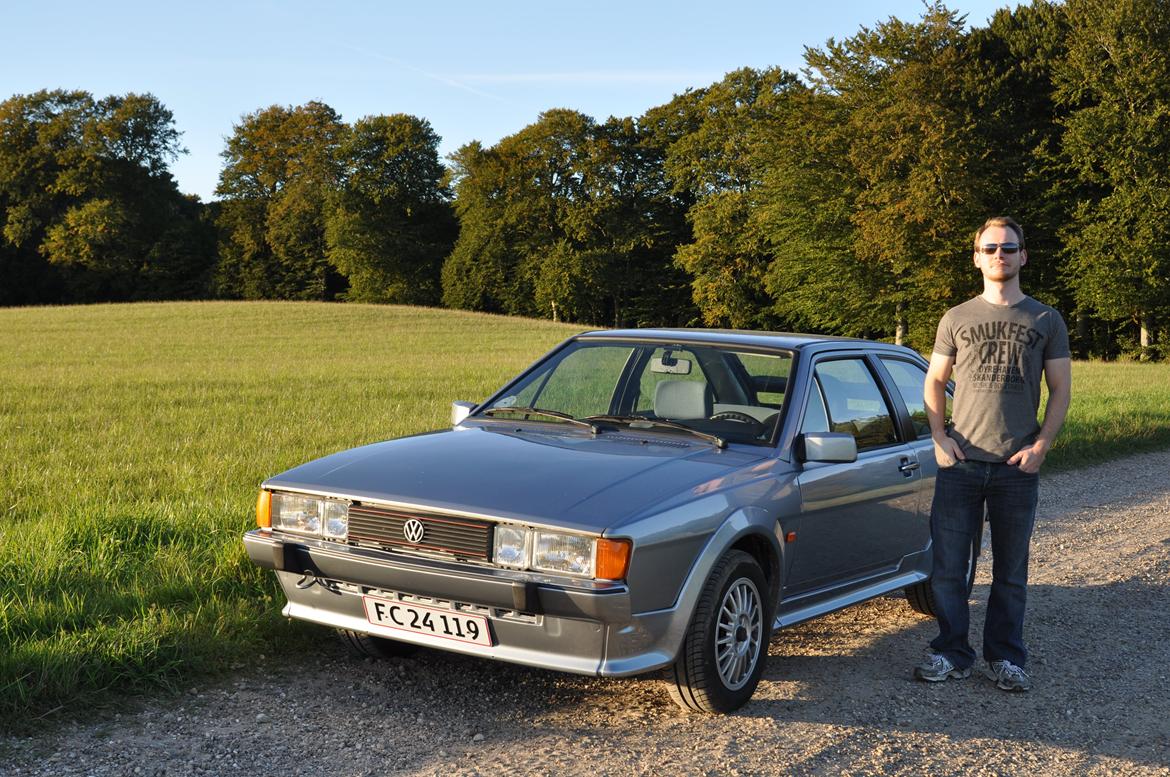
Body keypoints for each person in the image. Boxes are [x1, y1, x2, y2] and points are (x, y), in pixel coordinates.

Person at [914, 216, 1072, 692]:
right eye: (990, 248)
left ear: (1023, 255)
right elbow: (935, 382)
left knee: (1010, 571)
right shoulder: (956, 318)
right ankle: (951, 652)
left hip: (1015, 467)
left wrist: (1042, 445)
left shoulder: (1046, 319)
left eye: (1008, 248)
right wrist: (940, 438)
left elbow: (1061, 389)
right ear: (977, 256)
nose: (999, 255)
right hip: (961, 464)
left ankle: (1005, 658)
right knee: (948, 569)